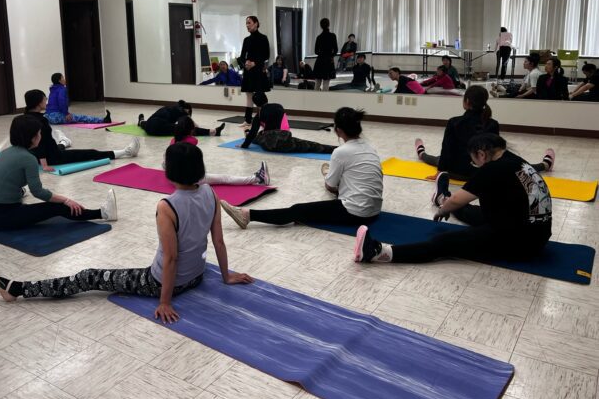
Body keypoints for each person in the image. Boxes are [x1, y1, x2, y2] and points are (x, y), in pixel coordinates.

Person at [0, 142, 254, 324]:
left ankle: (17, 290)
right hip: (195, 276)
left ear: (171, 172)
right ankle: (18, 289)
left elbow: (170, 259)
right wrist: (226, 275)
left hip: (161, 283)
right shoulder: (210, 193)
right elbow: (217, 240)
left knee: (88, 277)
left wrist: (164, 301)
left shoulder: (167, 206)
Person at [354, 134, 552, 266]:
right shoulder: (516, 161)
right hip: (535, 232)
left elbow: (458, 199)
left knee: (443, 242)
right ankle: (442, 197)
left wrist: (442, 210)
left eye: (473, 159)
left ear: (482, 154)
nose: (473, 164)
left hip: (520, 243)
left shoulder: (493, 169)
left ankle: (380, 252)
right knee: (467, 210)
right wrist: (450, 204)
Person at [221, 107, 382, 230]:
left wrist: (327, 175)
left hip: (356, 213)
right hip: (374, 211)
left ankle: (247, 216)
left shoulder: (341, 152)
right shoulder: (370, 147)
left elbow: (330, 186)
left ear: (338, 130)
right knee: (310, 210)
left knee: (297, 210)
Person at [0, 115, 117, 231]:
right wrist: (66, 200)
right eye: (39, 133)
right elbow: (38, 192)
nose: (41, 136)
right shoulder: (28, 159)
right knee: (58, 207)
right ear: (32, 137)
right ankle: (103, 213)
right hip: (0, 218)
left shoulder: (5, 152)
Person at [414, 86, 555, 180]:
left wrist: (439, 174)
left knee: (435, 158)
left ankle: (421, 152)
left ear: (467, 102)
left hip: (456, 172)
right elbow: (497, 154)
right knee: (519, 167)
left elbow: (447, 149)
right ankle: (546, 164)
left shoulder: (454, 122)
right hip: (483, 173)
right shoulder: (493, 123)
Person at [24, 90, 139, 171]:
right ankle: (127, 152)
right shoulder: (41, 121)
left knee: (58, 147)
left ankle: (64, 142)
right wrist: (45, 165)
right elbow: (41, 145)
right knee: (90, 153)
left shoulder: (22, 118)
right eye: (45, 100)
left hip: (34, 156)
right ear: (39, 103)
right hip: (53, 157)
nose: (46, 102)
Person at [171, 115, 270, 186]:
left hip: (174, 178)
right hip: (190, 179)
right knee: (225, 178)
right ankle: (257, 178)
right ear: (191, 129)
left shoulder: (173, 141)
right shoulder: (192, 141)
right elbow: (197, 168)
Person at [240, 92, 335, 154]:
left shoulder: (258, 115)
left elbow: (253, 133)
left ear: (256, 104)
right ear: (266, 99)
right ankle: (335, 149)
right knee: (310, 146)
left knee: (258, 136)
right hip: (284, 139)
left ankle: (246, 133)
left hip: (269, 144)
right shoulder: (278, 106)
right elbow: (284, 126)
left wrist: (244, 146)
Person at [45, 73, 111, 125]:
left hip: (48, 117)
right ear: (59, 80)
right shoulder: (62, 89)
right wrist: (66, 113)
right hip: (56, 117)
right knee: (81, 117)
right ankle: (104, 120)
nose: (64, 79)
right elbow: (62, 102)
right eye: (63, 78)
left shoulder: (53, 89)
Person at [239, 16, 270, 124]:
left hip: (258, 70)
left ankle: (264, 120)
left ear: (256, 23)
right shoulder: (246, 40)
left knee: (260, 96)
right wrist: (246, 62)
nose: (247, 25)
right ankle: (247, 120)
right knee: (248, 95)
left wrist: (254, 63)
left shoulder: (263, 38)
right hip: (248, 71)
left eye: (249, 23)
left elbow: (266, 55)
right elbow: (242, 56)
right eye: (246, 23)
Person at [138, 100, 224, 137]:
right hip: (159, 127)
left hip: (149, 125)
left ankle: (141, 121)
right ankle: (214, 132)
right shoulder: (182, 111)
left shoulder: (170, 107)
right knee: (187, 129)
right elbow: (193, 125)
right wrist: (203, 130)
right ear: (187, 110)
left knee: (145, 124)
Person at [313, 18, 338, 91]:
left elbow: (316, 51)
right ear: (329, 25)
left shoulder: (319, 37)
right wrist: (331, 55)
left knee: (317, 83)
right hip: (328, 61)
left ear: (320, 26)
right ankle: (324, 101)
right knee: (326, 84)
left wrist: (322, 54)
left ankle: (314, 100)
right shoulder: (333, 36)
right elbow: (336, 50)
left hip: (320, 60)